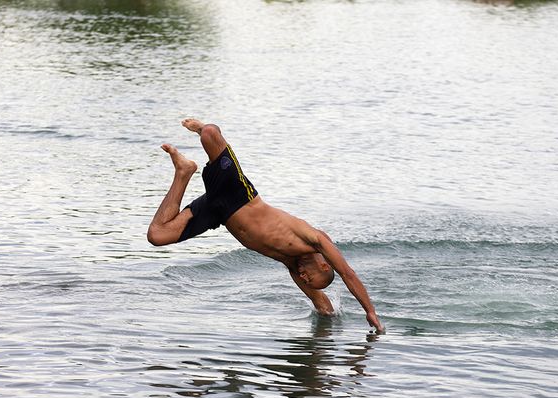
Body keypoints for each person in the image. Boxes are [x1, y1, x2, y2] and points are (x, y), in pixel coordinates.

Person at [147, 119, 384, 333]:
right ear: (323, 265)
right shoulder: (314, 239)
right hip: (238, 195)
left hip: (218, 213)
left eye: (306, 281)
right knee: (209, 133)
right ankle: (200, 129)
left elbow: (319, 301)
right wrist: (370, 311)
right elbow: (348, 274)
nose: (303, 278)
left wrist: (328, 323)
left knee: (157, 235)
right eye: (309, 277)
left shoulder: (294, 265)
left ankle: (183, 172)